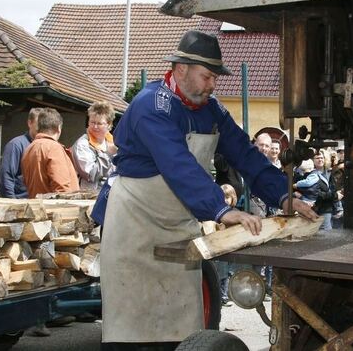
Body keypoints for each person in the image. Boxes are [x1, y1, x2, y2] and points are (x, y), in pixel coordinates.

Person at [98, 30, 317, 351]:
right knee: (132, 331)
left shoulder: (212, 110)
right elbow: (177, 164)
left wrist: (283, 195)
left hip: (179, 223)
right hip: (135, 227)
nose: (212, 84)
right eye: (207, 76)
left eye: (215, 77)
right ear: (181, 69)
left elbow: (244, 153)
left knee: (182, 330)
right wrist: (221, 209)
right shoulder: (151, 106)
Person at [21, 108, 79, 198]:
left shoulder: (29, 148)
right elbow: (62, 189)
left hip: (36, 206)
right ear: (58, 128)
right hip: (54, 209)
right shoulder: (54, 148)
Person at [71, 101, 118, 191]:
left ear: (109, 125)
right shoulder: (82, 144)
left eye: (99, 123)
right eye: (92, 122)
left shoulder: (114, 143)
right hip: (90, 197)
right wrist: (108, 155)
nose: (95, 127)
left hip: (113, 195)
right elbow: (90, 174)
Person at [0, 108, 42, 198]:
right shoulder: (16, 145)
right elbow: (6, 176)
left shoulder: (46, 146)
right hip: (20, 201)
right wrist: (12, 203)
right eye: (39, 124)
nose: (42, 128)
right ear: (30, 123)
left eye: (44, 125)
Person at [294, 150, 336, 230]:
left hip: (325, 208)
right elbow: (302, 188)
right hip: (310, 208)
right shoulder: (307, 174)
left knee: (326, 234)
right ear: (312, 160)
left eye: (322, 158)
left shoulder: (329, 173)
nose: (320, 160)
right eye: (317, 158)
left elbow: (332, 191)